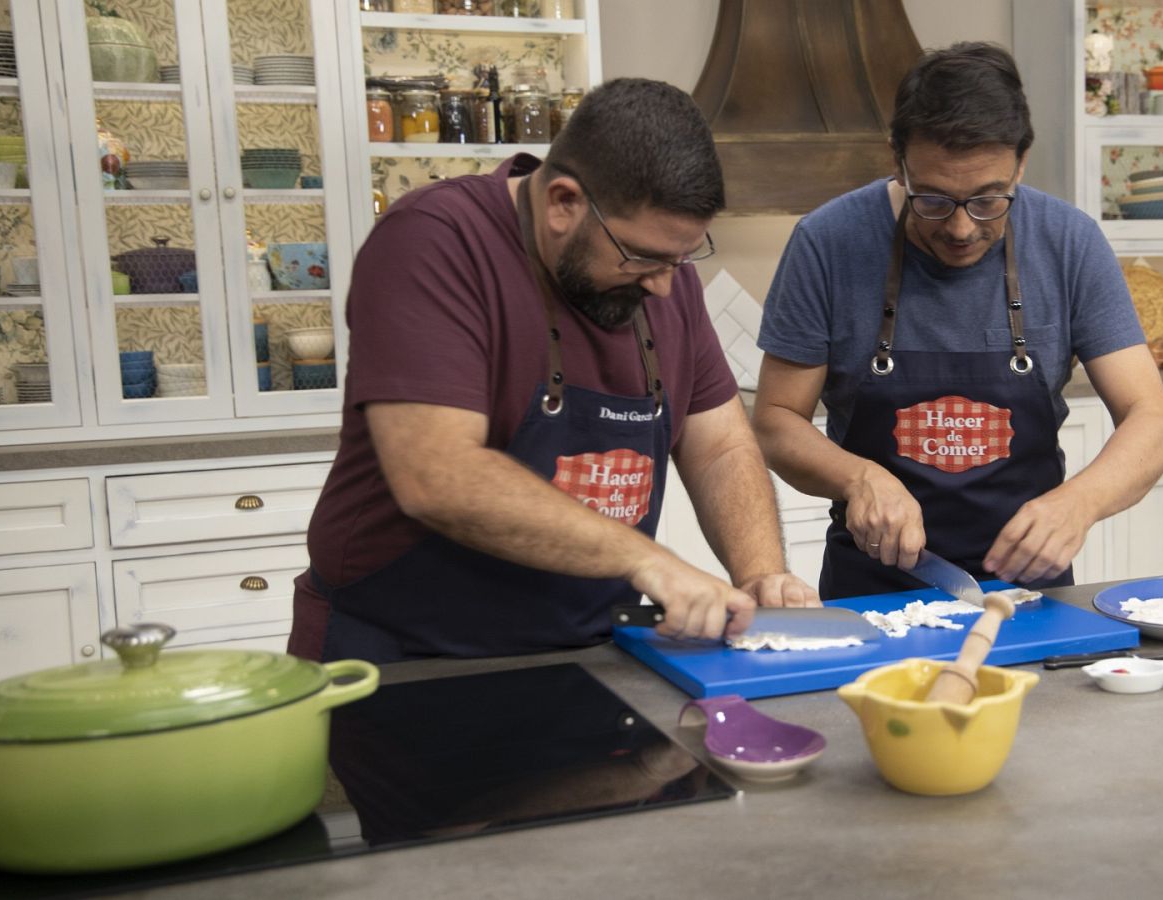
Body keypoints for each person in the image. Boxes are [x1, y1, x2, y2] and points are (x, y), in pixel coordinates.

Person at [289, 78, 816, 664]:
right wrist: (649, 559)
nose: (666, 284)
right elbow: (438, 475)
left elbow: (717, 445)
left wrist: (763, 574)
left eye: (682, 258)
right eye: (643, 258)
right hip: (409, 657)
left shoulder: (662, 269)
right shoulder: (433, 241)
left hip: (590, 650)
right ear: (563, 203)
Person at [753, 43, 1163, 599]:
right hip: (871, 591)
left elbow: (1154, 421)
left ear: (1021, 164)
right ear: (897, 161)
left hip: (1030, 593)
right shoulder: (827, 243)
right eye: (932, 199)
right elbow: (776, 420)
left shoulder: (1069, 244)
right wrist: (859, 478)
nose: (960, 229)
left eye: (988, 200)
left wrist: (1079, 502)